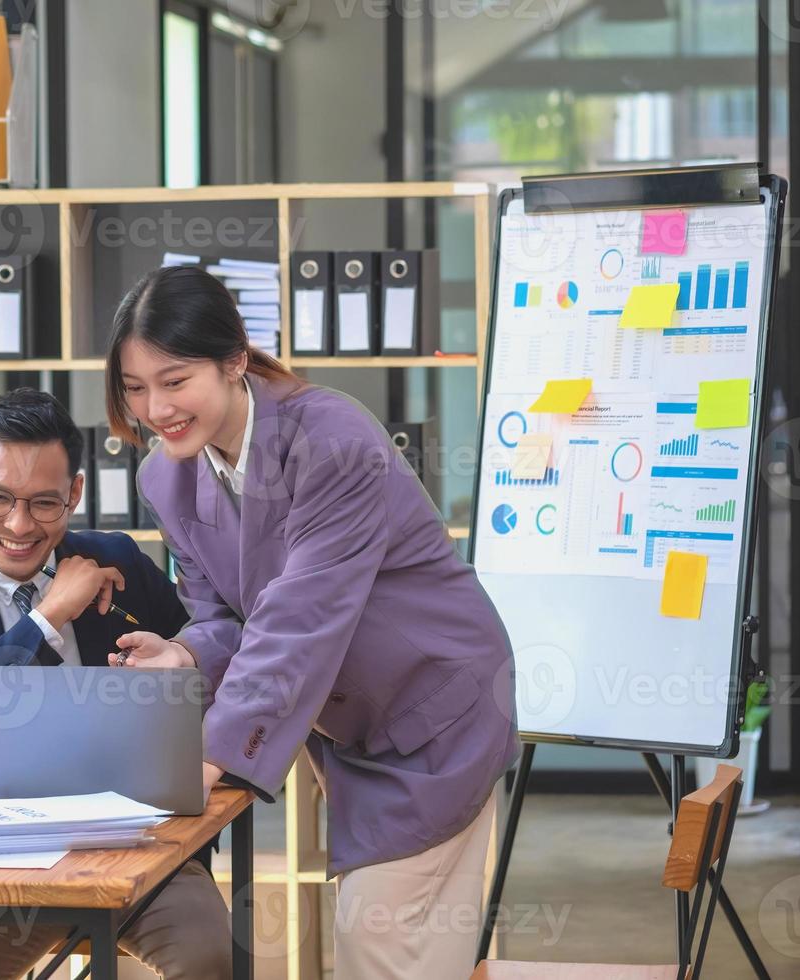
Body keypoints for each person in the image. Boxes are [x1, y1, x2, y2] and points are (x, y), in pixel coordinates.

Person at [105, 265, 520, 980]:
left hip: (440, 712)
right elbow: (226, 615)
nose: (155, 408)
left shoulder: (331, 440)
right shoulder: (165, 476)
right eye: (135, 388)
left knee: (380, 947)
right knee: (387, 947)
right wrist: (184, 653)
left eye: (174, 382)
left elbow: (302, 616)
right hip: (353, 733)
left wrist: (204, 762)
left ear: (234, 361)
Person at [0, 388, 232, 980]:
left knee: (207, 955)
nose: (19, 525)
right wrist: (46, 619)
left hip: (129, 842)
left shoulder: (116, 558)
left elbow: (210, 669)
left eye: (44, 503)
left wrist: (173, 664)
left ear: (74, 494)